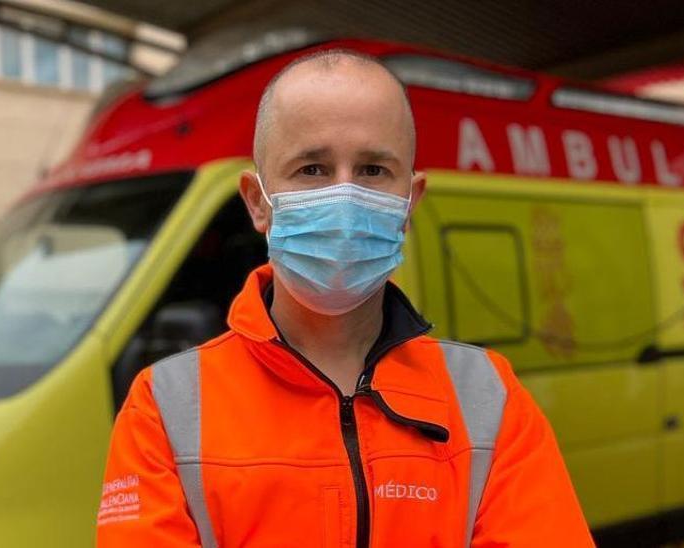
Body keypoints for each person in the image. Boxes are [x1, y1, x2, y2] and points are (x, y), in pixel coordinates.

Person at [96, 48, 594, 547]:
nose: (345, 196)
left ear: (409, 201)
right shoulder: (165, 409)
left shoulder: (488, 400)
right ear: (256, 201)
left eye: (374, 170)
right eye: (312, 169)